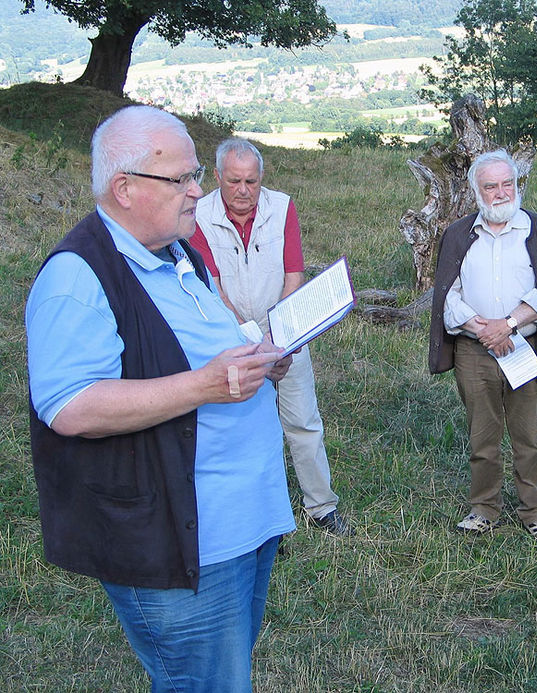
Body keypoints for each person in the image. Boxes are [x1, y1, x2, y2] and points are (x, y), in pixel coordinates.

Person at [26, 105, 296, 690]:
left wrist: (255, 363)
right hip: (176, 540)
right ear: (124, 188)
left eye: (196, 174)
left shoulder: (179, 255)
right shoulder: (77, 277)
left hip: (239, 520)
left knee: (220, 677)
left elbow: (204, 351)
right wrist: (206, 385)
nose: (199, 191)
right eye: (182, 179)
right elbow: (70, 407)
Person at [190, 137, 351, 536]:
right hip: (230, 338)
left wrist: (281, 340)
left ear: (262, 177)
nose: (243, 191)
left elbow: (293, 275)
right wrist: (251, 346)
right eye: (233, 182)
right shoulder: (198, 214)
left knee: (303, 421)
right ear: (216, 177)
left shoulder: (282, 207)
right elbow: (213, 288)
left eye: (251, 181)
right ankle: (258, 519)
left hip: (285, 332)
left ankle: (321, 506)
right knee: (244, 430)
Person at [429, 149, 537, 539]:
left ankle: (536, 512)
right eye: (491, 186)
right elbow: (447, 292)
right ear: (476, 192)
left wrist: (509, 324)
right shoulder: (458, 234)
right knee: (482, 435)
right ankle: (484, 509)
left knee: (528, 436)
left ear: (518, 185)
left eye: (507, 184)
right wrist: (481, 327)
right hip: (474, 350)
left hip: (522, 348)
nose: (500, 193)